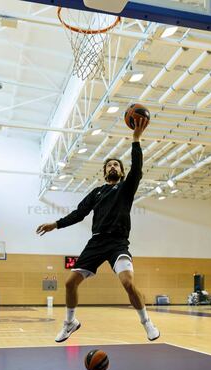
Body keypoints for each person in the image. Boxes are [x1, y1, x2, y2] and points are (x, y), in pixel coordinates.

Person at [36, 117, 160, 343]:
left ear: (121, 173)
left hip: (118, 243)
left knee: (128, 283)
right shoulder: (96, 192)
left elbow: (138, 168)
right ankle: (70, 322)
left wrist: (136, 140)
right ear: (104, 172)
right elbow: (78, 213)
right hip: (96, 242)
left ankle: (146, 322)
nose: (113, 166)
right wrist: (55, 224)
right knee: (69, 283)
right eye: (109, 165)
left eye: (116, 165)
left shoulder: (125, 188)